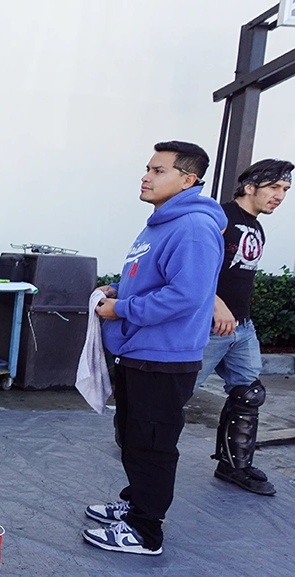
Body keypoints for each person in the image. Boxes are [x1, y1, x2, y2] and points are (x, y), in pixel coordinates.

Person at [83, 141, 225, 555]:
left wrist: (121, 308)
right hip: (139, 352)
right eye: (147, 168)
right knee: (132, 436)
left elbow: (186, 295)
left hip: (165, 358)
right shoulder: (160, 224)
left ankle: (146, 531)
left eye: (158, 170)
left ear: (188, 179)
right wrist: (116, 289)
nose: (146, 176)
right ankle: (135, 504)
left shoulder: (194, 228)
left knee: (152, 444)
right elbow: (155, 281)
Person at [194, 159, 292, 496]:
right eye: (275, 188)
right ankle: (137, 445)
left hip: (241, 327)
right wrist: (215, 303)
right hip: (208, 325)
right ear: (250, 186)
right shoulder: (219, 217)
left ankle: (234, 466)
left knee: (249, 394)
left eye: (285, 190)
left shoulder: (257, 226)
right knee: (171, 392)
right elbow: (193, 263)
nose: (281, 196)